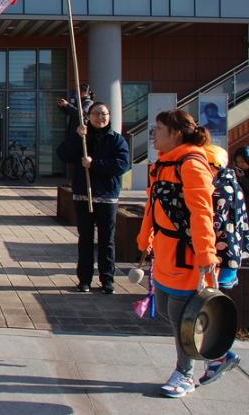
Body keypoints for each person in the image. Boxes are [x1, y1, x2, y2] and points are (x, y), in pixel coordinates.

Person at [137, 109, 216, 398]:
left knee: (182, 317)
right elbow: (152, 205)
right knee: (171, 313)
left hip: (187, 257)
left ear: (176, 133)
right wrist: (144, 237)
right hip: (165, 254)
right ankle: (219, 356)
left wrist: (207, 256)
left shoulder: (192, 164)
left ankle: (185, 374)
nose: (153, 134)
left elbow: (202, 213)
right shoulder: (162, 164)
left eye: (159, 129)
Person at [57, 102, 130, 294]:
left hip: (107, 196)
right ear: (89, 116)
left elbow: (122, 164)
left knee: (107, 240)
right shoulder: (82, 137)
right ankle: (84, 280)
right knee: (85, 239)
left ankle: (107, 280)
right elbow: (63, 154)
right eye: (96, 114)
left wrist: (95, 164)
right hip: (83, 194)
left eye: (104, 114)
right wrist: (76, 136)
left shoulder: (116, 140)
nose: (101, 117)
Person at [196, 144, 246, 385]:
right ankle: (219, 357)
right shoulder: (232, 183)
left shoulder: (217, 190)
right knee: (209, 310)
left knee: (207, 312)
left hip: (220, 261)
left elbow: (211, 226)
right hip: (231, 259)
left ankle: (220, 356)